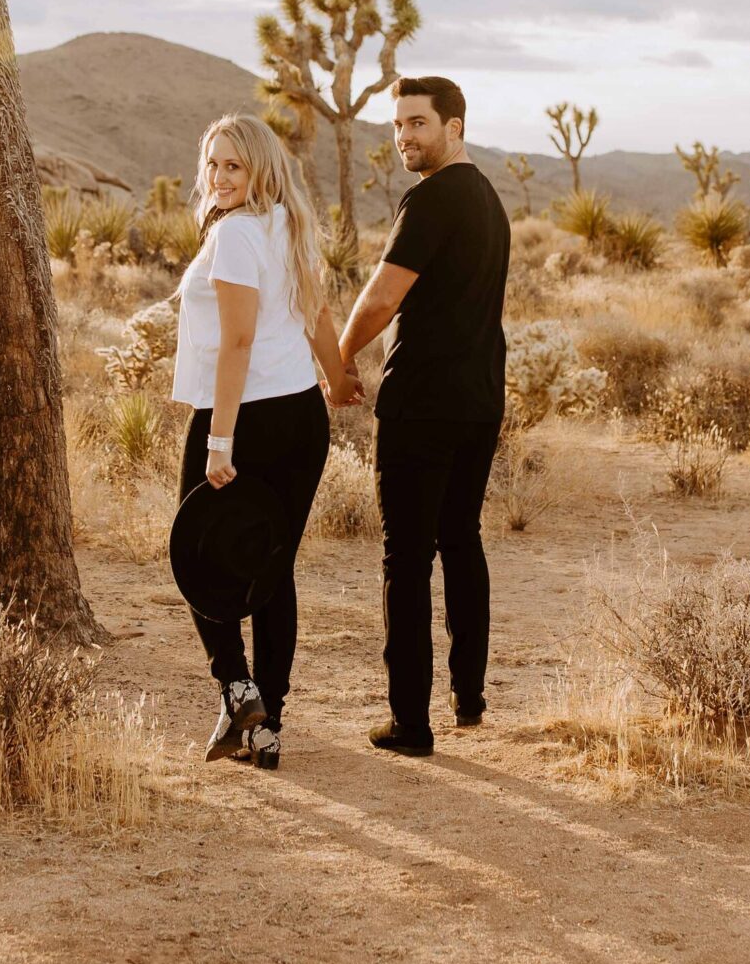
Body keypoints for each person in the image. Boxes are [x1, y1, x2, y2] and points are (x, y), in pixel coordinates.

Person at [170, 111, 350, 770]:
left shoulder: (239, 235)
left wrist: (220, 439)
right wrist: (338, 379)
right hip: (301, 418)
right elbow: (317, 311)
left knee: (196, 559)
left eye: (233, 166)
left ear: (259, 170)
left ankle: (236, 687)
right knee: (270, 569)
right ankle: (265, 722)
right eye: (212, 164)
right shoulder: (287, 225)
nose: (218, 178)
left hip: (242, 417)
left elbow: (236, 341)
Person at [337, 75, 510, 756]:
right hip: (478, 399)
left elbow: (381, 300)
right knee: (461, 541)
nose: (406, 137)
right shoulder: (487, 199)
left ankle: (409, 721)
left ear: (454, 126)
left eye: (419, 124)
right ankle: (468, 699)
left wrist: (339, 357)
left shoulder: (433, 198)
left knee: (404, 558)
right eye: (399, 125)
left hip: (424, 403)